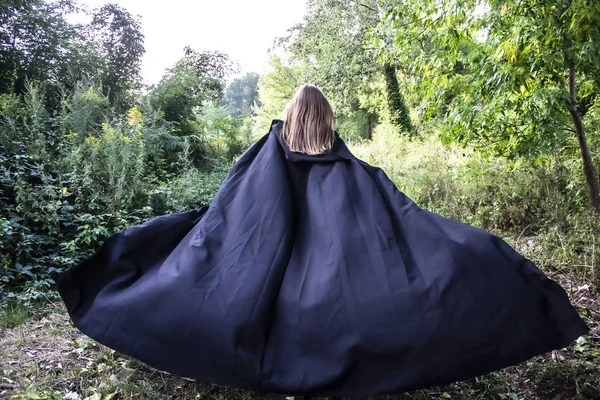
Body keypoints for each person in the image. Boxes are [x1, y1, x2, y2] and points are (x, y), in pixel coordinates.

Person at [57, 85, 588, 398]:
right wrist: (470, 249)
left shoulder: (264, 156)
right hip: (337, 287)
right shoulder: (351, 166)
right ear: (327, 120)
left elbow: (227, 216)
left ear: (289, 118)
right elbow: (402, 217)